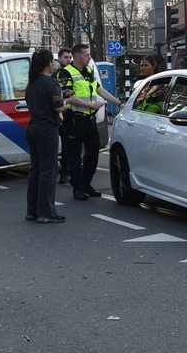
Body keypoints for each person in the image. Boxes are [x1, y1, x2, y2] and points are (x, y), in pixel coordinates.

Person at [57, 44, 123, 201]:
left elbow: (100, 90)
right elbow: (69, 97)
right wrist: (91, 105)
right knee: (74, 155)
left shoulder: (88, 72)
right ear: (77, 57)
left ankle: (86, 183)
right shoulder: (65, 73)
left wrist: (119, 103)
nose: (89, 58)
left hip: (89, 119)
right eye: (86, 55)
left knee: (93, 154)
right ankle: (77, 187)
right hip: (74, 119)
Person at [25, 48, 70, 223]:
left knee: (35, 170)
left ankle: (32, 210)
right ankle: (46, 212)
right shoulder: (50, 83)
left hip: (32, 127)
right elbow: (58, 107)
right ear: (49, 63)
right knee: (48, 171)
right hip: (46, 129)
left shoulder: (32, 83)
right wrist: (67, 100)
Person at [54, 47, 73, 185]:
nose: (68, 60)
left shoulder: (71, 72)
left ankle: (65, 172)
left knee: (67, 145)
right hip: (57, 113)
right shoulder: (55, 74)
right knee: (55, 144)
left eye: (70, 57)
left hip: (68, 113)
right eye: (66, 57)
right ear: (59, 58)